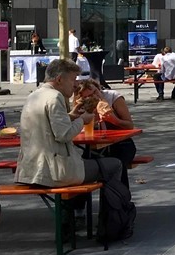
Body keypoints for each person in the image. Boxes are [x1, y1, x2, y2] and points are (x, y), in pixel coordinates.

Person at [15, 59, 123, 188]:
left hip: (30, 171)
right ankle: (115, 202)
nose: (76, 84)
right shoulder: (55, 97)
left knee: (89, 163)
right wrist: (82, 120)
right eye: (73, 79)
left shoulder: (34, 95)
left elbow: (47, 122)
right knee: (115, 165)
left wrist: (70, 116)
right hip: (54, 172)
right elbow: (64, 135)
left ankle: (79, 201)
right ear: (60, 79)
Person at [74, 79, 138, 187]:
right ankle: (78, 197)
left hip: (121, 144)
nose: (93, 97)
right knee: (79, 169)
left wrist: (114, 120)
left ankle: (118, 196)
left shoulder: (113, 97)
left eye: (95, 92)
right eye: (87, 96)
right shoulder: (80, 105)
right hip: (95, 147)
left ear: (98, 88)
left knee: (117, 164)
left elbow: (129, 125)